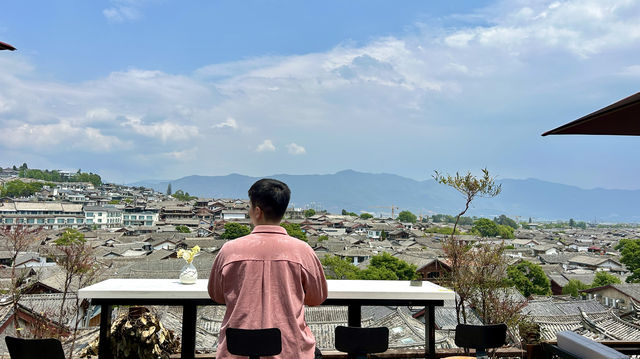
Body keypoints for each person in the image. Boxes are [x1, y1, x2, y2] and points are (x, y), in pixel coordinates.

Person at [208, 178, 328, 359]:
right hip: (291, 351)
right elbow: (317, 298)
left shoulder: (229, 250)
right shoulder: (302, 251)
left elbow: (216, 295)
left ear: (257, 211)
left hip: (236, 350)